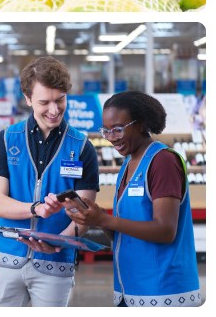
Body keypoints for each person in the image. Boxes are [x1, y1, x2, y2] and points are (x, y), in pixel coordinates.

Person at [57, 92, 201, 307]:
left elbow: (165, 230)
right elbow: (123, 234)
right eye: (106, 130)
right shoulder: (128, 164)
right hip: (130, 288)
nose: (111, 137)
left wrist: (104, 220)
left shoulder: (163, 162)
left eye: (118, 129)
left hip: (163, 292)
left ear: (141, 124)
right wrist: (95, 218)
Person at [0, 56, 98, 307]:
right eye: (44, 102)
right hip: (7, 257)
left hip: (55, 265)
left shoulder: (82, 148)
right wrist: (35, 208)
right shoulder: (4, 141)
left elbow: (85, 214)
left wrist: (58, 243)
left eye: (60, 100)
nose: (54, 110)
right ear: (27, 99)